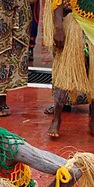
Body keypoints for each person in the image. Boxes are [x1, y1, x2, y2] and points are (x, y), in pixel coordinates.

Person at [43, 0, 94, 137]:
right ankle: (56, 118)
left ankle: (93, 118)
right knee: (64, 74)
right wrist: (58, 27)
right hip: (77, 24)